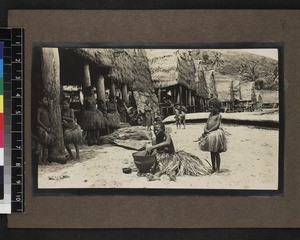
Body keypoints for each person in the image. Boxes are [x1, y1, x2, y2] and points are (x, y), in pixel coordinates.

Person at [145, 121, 210, 181]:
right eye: (154, 130)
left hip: (172, 156)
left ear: (163, 130)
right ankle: (156, 176)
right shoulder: (154, 140)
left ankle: (172, 175)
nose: (156, 132)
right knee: (159, 168)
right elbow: (156, 152)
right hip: (161, 158)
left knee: (173, 167)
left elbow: (167, 142)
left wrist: (152, 147)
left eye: (158, 130)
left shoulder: (167, 136)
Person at [198, 98, 227, 173]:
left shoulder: (219, 115)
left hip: (215, 134)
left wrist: (209, 131)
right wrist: (205, 129)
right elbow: (207, 123)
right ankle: (213, 167)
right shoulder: (210, 115)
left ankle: (218, 169)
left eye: (211, 107)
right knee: (211, 151)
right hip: (209, 134)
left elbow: (217, 125)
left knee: (216, 152)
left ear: (216, 107)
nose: (209, 108)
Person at [37, 96, 55, 164]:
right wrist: (46, 128)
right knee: (40, 144)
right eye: (45, 100)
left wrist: (49, 127)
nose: (47, 101)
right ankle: (39, 160)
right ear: (40, 102)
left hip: (47, 130)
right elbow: (38, 121)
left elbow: (48, 120)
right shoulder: (39, 110)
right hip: (42, 129)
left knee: (45, 145)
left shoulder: (46, 110)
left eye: (47, 100)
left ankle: (44, 160)